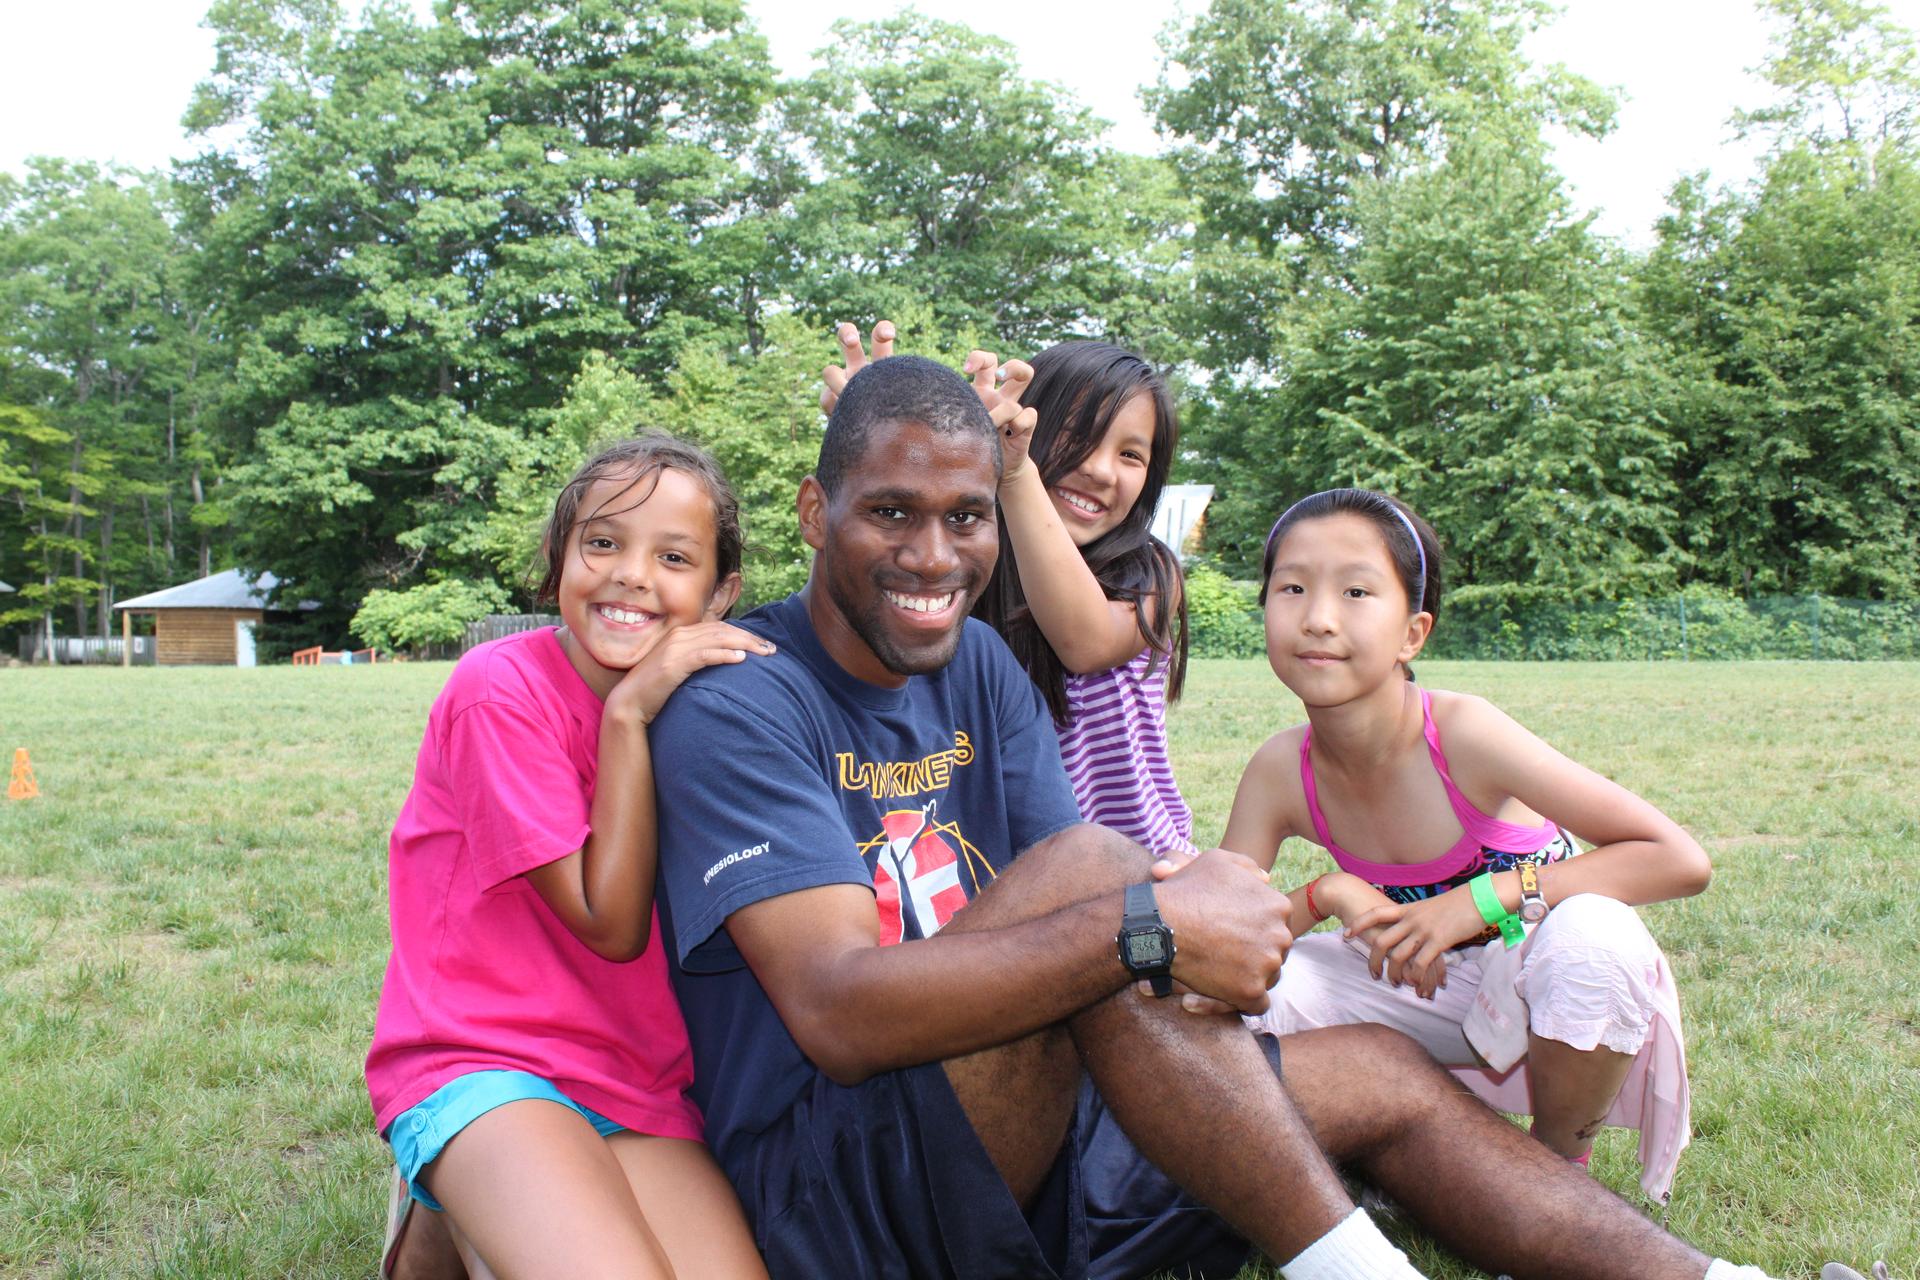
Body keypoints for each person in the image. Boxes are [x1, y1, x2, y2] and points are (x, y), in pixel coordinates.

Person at [642, 354, 1859, 1280]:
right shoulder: (741, 696)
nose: (934, 552)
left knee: (1377, 1070)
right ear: (815, 513)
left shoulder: (981, 667)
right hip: (846, 1192)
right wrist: (1151, 923)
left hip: (1032, 1129)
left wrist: (1165, 921)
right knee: (1105, 872)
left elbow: (1082, 934)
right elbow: (840, 1014)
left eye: (965, 515)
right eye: (890, 512)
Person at [366, 434, 773, 1280]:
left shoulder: (714, 711)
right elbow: (608, 922)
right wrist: (626, 718)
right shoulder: (496, 690)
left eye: (673, 557)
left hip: (637, 1078)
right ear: (559, 556)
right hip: (485, 1059)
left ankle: (450, 1219)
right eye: (603, 542)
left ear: (720, 593)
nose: (632, 574)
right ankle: (449, 1187)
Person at [1223, 488, 1705, 1201]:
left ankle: (1553, 1175)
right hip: (1416, 990)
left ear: (1412, 633)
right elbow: (1224, 931)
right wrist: (1326, 892)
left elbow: (1678, 858)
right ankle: (1374, 1139)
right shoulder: (1279, 768)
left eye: (1356, 591)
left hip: (1537, 986)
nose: (1318, 617)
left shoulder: (1464, 734)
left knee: (1597, 936)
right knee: (1262, 992)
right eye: (1292, 588)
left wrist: (1483, 899)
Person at [828, 326, 1197, 856]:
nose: (1099, 469)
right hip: (1010, 876)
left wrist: (1017, 472)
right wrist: (868, 441)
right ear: (1014, 422)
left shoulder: (1149, 573)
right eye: (1077, 434)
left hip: (1143, 867)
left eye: (1131, 455)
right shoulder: (960, 566)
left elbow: (1085, 643)